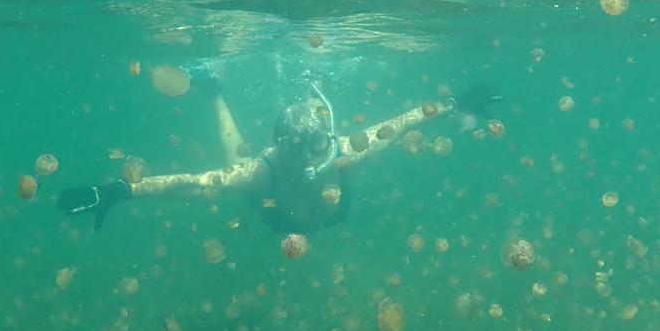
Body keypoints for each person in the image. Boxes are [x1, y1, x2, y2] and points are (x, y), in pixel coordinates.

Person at [57, 80, 497, 233]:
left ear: (330, 138)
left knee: (236, 169)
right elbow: (199, 184)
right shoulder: (264, 173)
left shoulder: (348, 152)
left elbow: (404, 122)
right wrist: (121, 190)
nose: (307, 160)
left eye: (316, 146)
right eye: (294, 148)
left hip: (292, 207)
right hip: (267, 203)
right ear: (279, 147)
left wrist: (457, 105)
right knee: (233, 162)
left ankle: (216, 94)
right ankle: (217, 97)